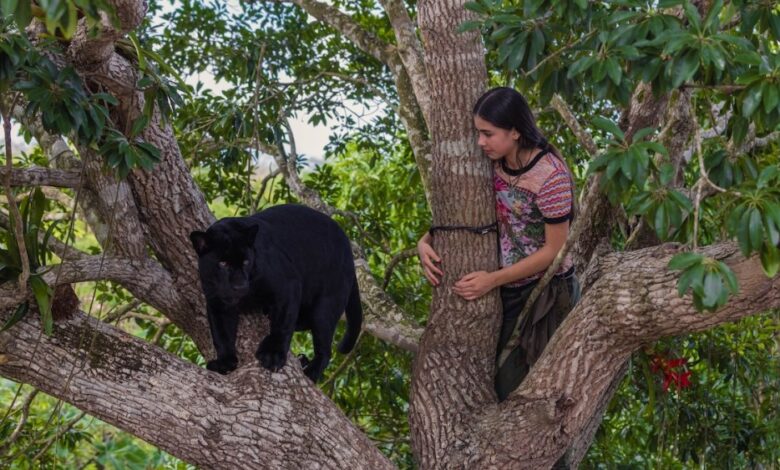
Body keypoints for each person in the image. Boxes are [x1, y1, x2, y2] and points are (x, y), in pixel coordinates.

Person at [417, 87, 581, 402]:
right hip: (508, 286)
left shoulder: (551, 178)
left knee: (527, 392)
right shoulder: (492, 164)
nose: (480, 142)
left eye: (488, 134)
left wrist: (491, 280)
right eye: (478, 133)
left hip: (547, 291)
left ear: (516, 131)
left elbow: (553, 252)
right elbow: (466, 215)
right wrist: (425, 241)